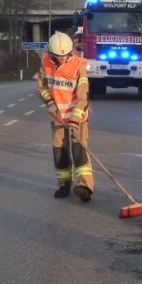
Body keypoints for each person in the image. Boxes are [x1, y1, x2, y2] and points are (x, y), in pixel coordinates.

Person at [37, 32, 96, 201]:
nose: (62, 59)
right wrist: (50, 103)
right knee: (59, 153)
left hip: (78, 118)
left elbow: (83, 96)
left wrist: (75, 121)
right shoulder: (45, 62)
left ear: (70, 52)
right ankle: (64, 185)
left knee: (79, 151)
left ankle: (85, 187)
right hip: (57, 118)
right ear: (51, 53)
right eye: (58, 57)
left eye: (65, 56)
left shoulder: (79, 66)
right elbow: (41, 87)